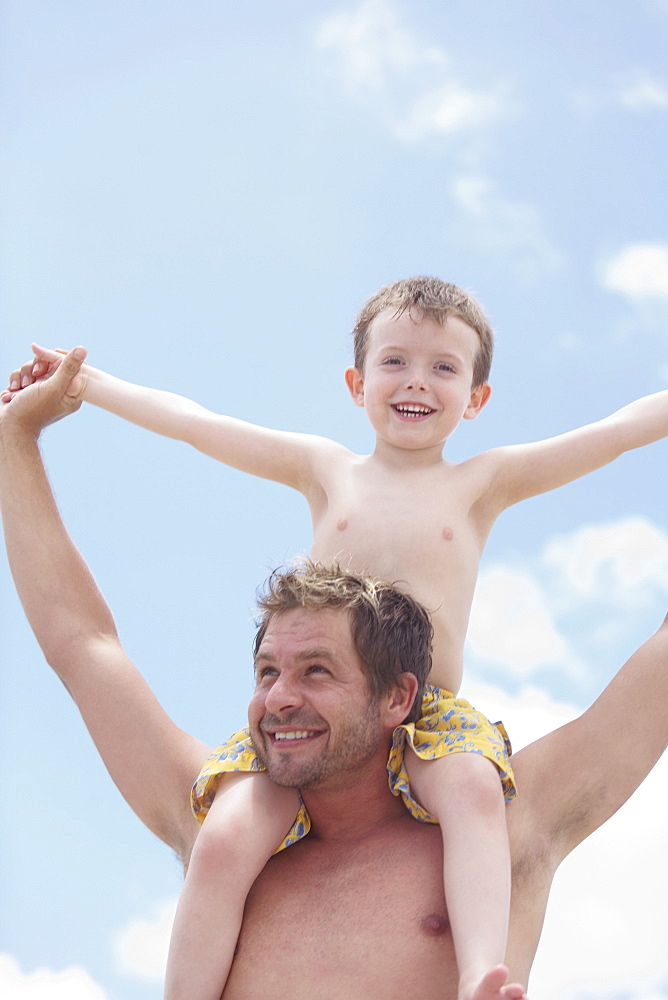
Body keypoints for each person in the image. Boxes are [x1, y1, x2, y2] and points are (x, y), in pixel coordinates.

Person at [5, 278, 668, 1000]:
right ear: (356, 383)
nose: (280, 696)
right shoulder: (224, 821)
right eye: (266, 671)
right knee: (222, 836)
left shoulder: (513, 825)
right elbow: (86, 632)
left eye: (316, 670)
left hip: (443, 727)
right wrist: (60, 402)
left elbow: (618, 433)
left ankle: (483, 970)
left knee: (475, 786)